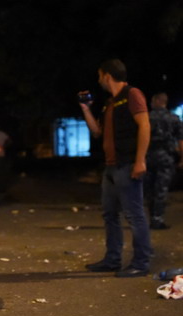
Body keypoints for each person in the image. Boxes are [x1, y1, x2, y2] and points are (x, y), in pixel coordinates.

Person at [78, 58, 151, 278]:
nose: (99, 80)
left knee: (134, 215)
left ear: (107, 75)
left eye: (100, 76)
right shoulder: (110, 103)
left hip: (127, 165)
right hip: (110, 168)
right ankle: (112, 260)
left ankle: (141, 263)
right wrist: (85, 109)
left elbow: (144, 125)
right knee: (109, 214)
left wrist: (140, 160)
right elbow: (97, 132)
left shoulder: (132, 94)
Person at [145, 92, 183, 229]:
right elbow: (180, 140)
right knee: (161, 189)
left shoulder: (146, 118)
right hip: (166, 158)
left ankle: (151, 218)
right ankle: (158, 218)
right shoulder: (174, 119)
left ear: (155, 101)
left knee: (149, 189)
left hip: (148, 157)